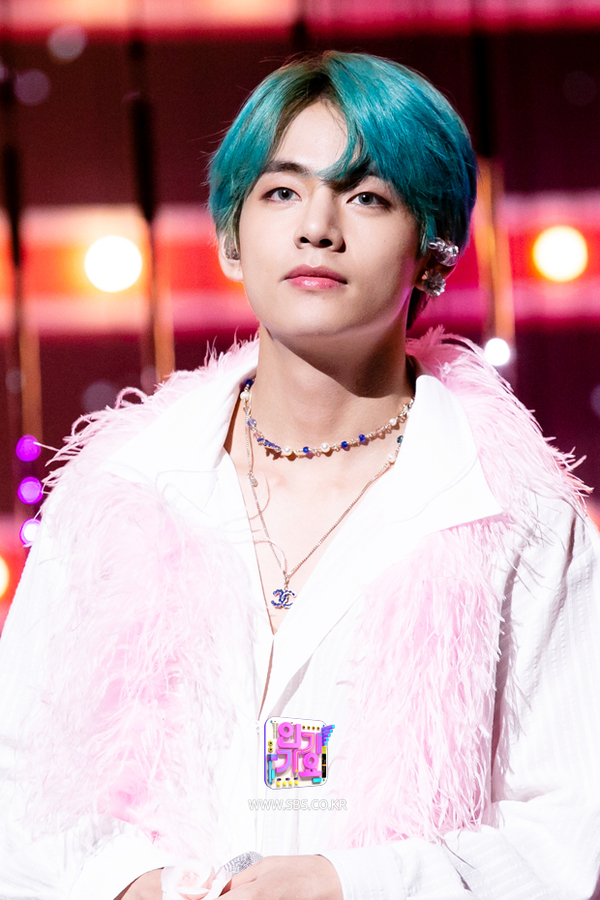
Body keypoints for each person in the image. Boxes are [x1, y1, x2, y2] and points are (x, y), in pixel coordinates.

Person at [1, 50, 600, 900]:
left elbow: (566, 838)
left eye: (368, 197)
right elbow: (20, 790)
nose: (318, 226)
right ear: (231, 238)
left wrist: (352, 886)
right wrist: (135, 887)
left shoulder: (521, 519)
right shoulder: (117, 496)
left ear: (434, 256)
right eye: (282, 192)